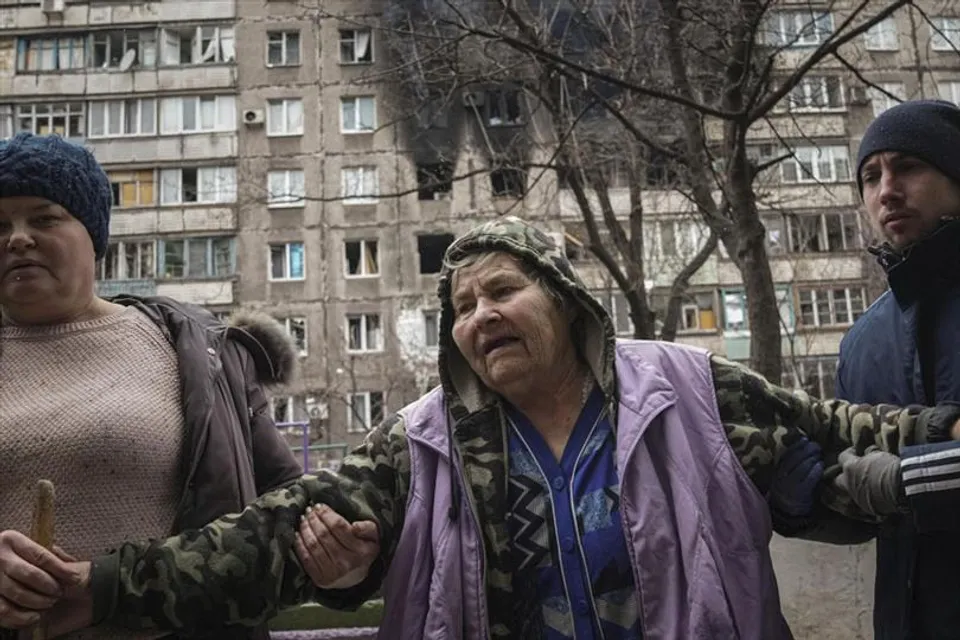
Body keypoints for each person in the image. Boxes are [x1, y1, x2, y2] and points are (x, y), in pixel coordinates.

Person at [13, 216, 960, 640]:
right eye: (460, 307)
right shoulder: (424, 437)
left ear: (566, 298)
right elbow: (264, 543)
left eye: (501, 289)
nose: (477, 316)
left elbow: (845, 436)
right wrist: (103, 587)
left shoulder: (688, 387)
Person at [0, 132, 379, 640]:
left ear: (93, 233)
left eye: (44, 217)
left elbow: (288, 508)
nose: (17, 238)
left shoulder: (197, 350)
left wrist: (344, 561)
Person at [823, 99, 960, 639]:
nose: (887, 191)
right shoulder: (861, 342)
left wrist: (907, 480)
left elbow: (891, 482)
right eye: (870, 176)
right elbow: (851, 483)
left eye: (908, 166)